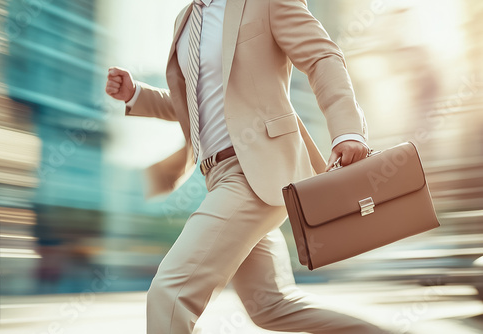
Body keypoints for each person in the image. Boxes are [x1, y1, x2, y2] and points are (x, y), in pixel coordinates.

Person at [106, 0, 391, 333]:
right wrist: (136, 94)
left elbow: (321, 56)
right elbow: (197, 103)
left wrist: (347, 131)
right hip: (218, 177)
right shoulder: (185, 20)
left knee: (169, 294)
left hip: (255, 170)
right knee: (271, 307)